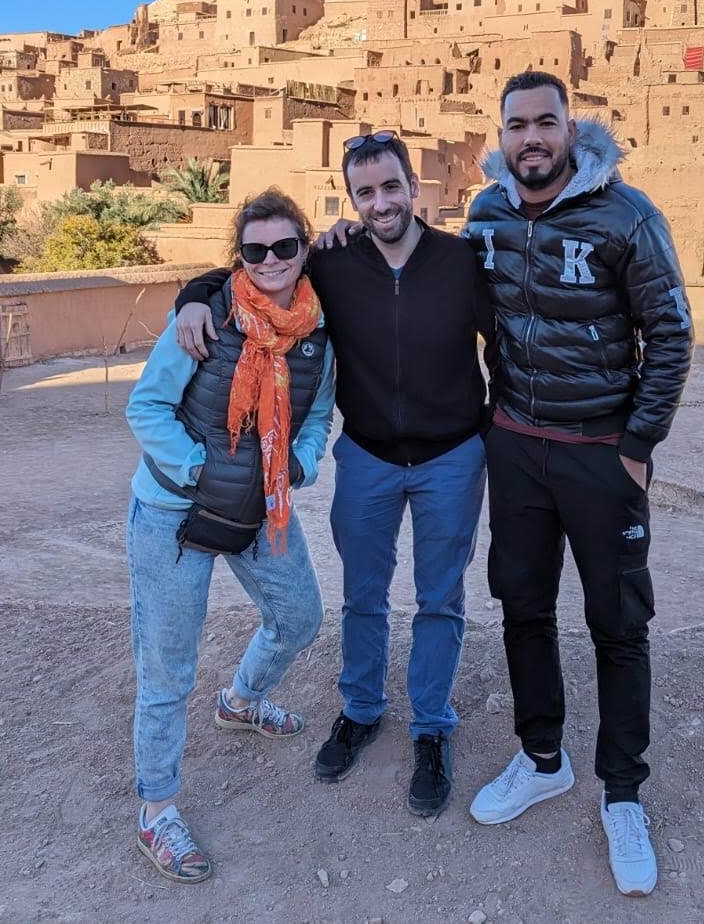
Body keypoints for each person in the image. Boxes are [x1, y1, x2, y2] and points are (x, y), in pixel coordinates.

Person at [172, 130, 491, 817]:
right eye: (365, 192)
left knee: (440, 598)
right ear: (352, 199)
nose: (381, 203)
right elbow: (256, 269)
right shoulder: (334, 264)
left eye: (391, 186)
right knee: (364, 595)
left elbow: (511, 340)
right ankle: (362, 709)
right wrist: (192, 296)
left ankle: (431, 727)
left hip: (451, 459)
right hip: (369, 456)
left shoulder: (461, 262)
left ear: (414, 187)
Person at [461, 70, 693, 898]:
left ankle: (622, 794)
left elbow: (670, 331)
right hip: (518, 446)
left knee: (618, 622)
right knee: (522, 606)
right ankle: (542, 758)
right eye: (517, 124)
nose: (531, 138)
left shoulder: (626, 215)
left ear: (570, 130)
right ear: (501, 136)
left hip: (600, 451)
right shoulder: (485, 214)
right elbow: (446, 292)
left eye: (546, 122)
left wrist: (637, 444)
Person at [124, 188, 336, 884]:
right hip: (174, 513)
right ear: (238, 256)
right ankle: (157, 810)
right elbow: (147, 407)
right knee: (168, 667)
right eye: (255, 249)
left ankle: (240, 701)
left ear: (303, 249)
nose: (271, 260)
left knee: (299, 617)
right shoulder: (204, 319)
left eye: (285, 246)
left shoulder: (317, 332)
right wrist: (202, 471)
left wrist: (296, 466)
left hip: (260, 508)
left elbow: (316, 418)